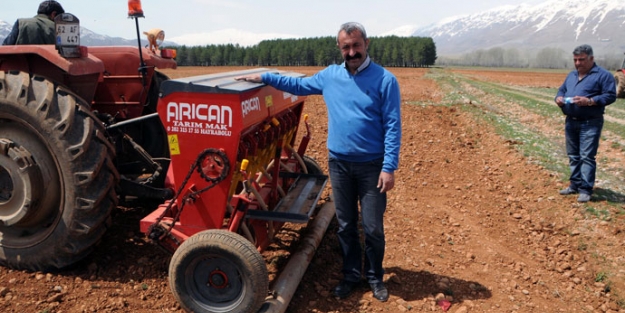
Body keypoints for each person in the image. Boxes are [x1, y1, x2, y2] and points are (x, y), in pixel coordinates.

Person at [236, 22, 401, 302]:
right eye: (346, 47)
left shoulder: (385, 80)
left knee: (372, 226)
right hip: (339, 164)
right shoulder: (330, 76)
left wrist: (388, 167)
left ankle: (374, 276)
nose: (351, 52)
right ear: (339, 48)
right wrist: (264, 76)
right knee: (347, 224)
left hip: (372, 166)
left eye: (356, 45)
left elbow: (393, 125)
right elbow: (298, 85)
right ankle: (351, 274)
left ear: (366, 44)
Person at [555, 44, 616, 203]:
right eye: (575, 60)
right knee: (573, 156)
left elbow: (610, 96)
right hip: (571, 121)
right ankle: (574, 184)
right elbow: (561, 91)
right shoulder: (571, 76)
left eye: (581, 60)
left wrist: (589, 101)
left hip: (590, 122)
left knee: (587, 156)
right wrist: (559, 99)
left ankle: (586, 189)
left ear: (591, 58)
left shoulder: (603, 75)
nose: (577, 63)